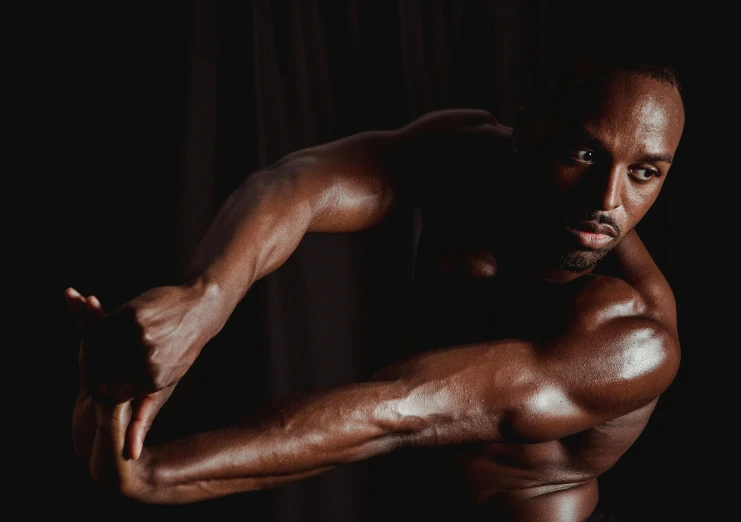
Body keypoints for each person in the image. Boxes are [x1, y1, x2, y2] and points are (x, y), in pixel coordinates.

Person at [66, 40, 686, 521]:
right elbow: (297, 184)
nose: (609, 197)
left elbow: (398, 410)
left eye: (645, 172)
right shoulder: (469, 156)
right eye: (583, 154)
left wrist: (153, 473)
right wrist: (204, 302)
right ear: (526, 131)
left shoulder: (636, 337)